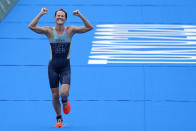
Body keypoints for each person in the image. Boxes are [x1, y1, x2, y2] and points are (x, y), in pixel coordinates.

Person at [28, 8, 93, 128]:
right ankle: (59, 119)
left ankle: (64, 100)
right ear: (54, 18)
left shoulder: (70, 30)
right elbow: (31, 26)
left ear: (65, 19)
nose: (60, 17)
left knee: (63, 92)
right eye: (58, 16)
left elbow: (89, 27)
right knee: (54, 95)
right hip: (52, 67)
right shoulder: (49, 31)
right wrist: (41, 14)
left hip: (65, 68)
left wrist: (80, 15)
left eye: (62, 16)